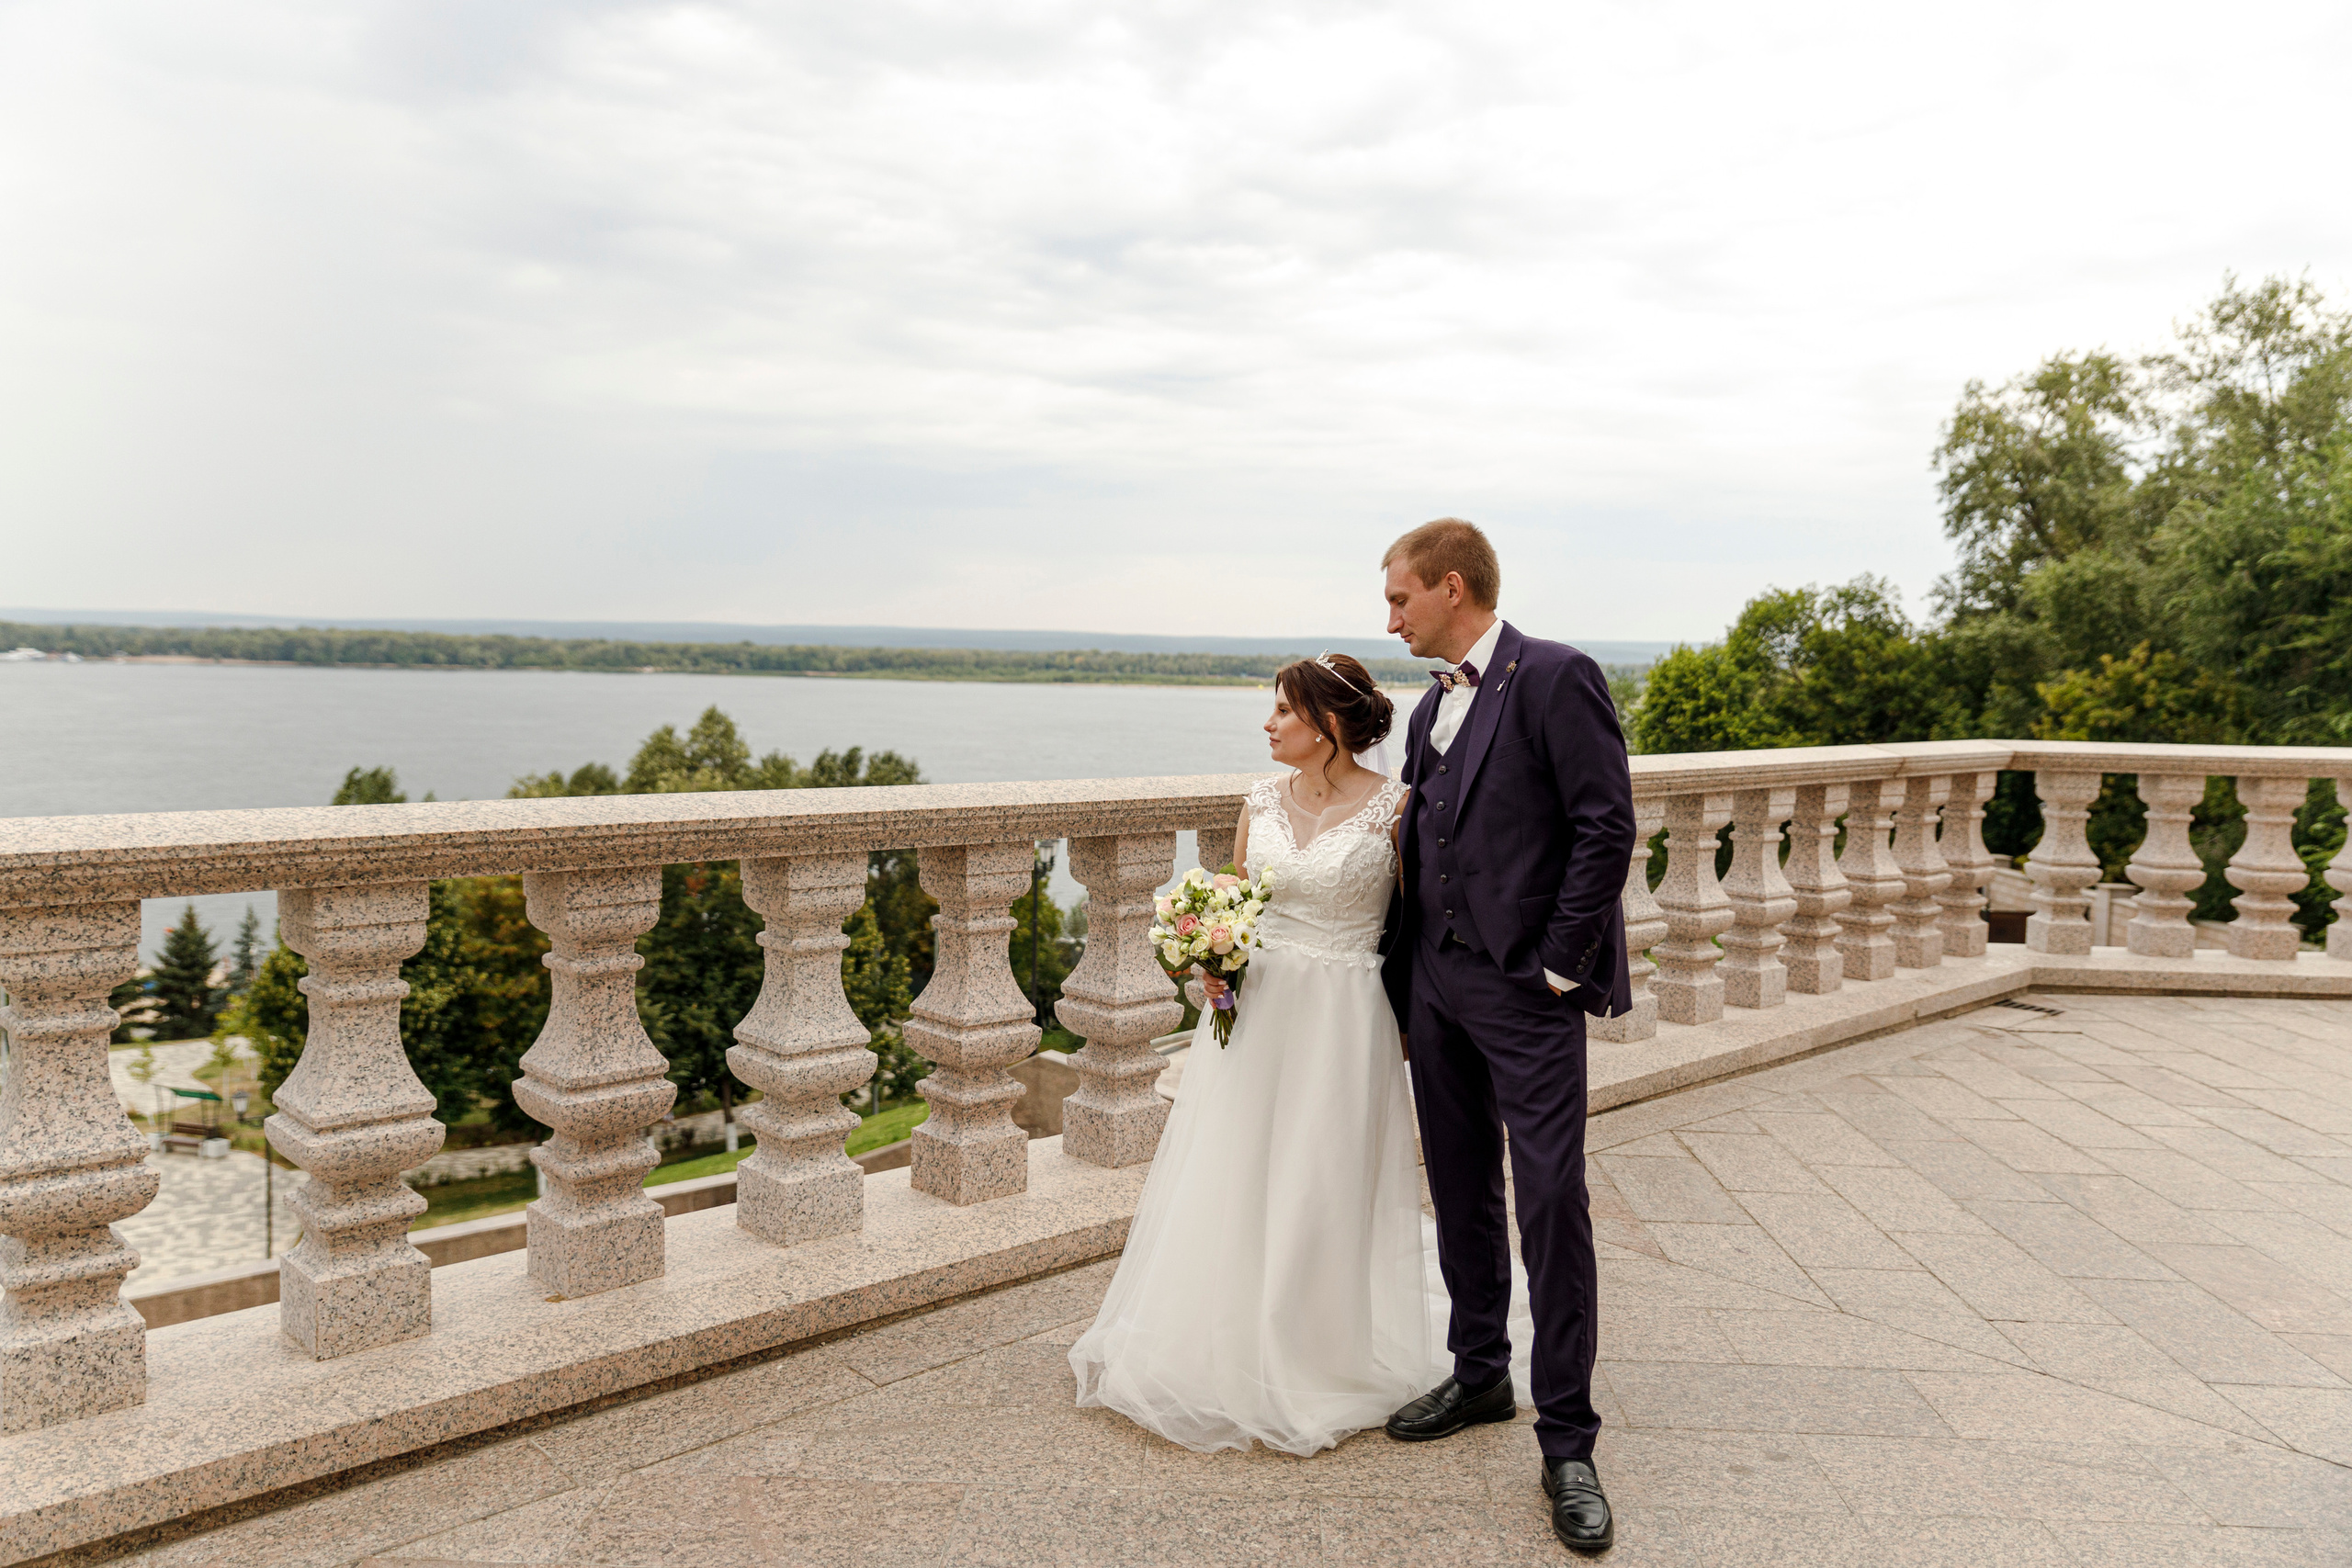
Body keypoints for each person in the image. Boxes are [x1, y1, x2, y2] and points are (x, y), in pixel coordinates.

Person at [1068, 650, 1447, 1456]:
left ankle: (1315, 1345)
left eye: (1282, 710)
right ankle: (1227, 1328)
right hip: (1256, 1010)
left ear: (1329, 725)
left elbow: (1416, 925)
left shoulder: (1398, 809)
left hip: (1345, 1016)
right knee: (1237, 1164)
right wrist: (1212, 959)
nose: (1268, 723)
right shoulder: (1258, 801)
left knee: (1321, 1172)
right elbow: (1235, 899)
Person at [1378, 517, 1635, 1554]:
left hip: (1526, 992)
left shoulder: (1555, 674)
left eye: (1399, 599)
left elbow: (1604, 824)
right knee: (1460, 1185)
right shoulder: (1426, 708)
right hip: (1434, 981)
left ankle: (1568, 1440)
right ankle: (1479, 1373)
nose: (1388, 617)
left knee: (1550, 1198)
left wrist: (1559, 967)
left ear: (1451, 587)